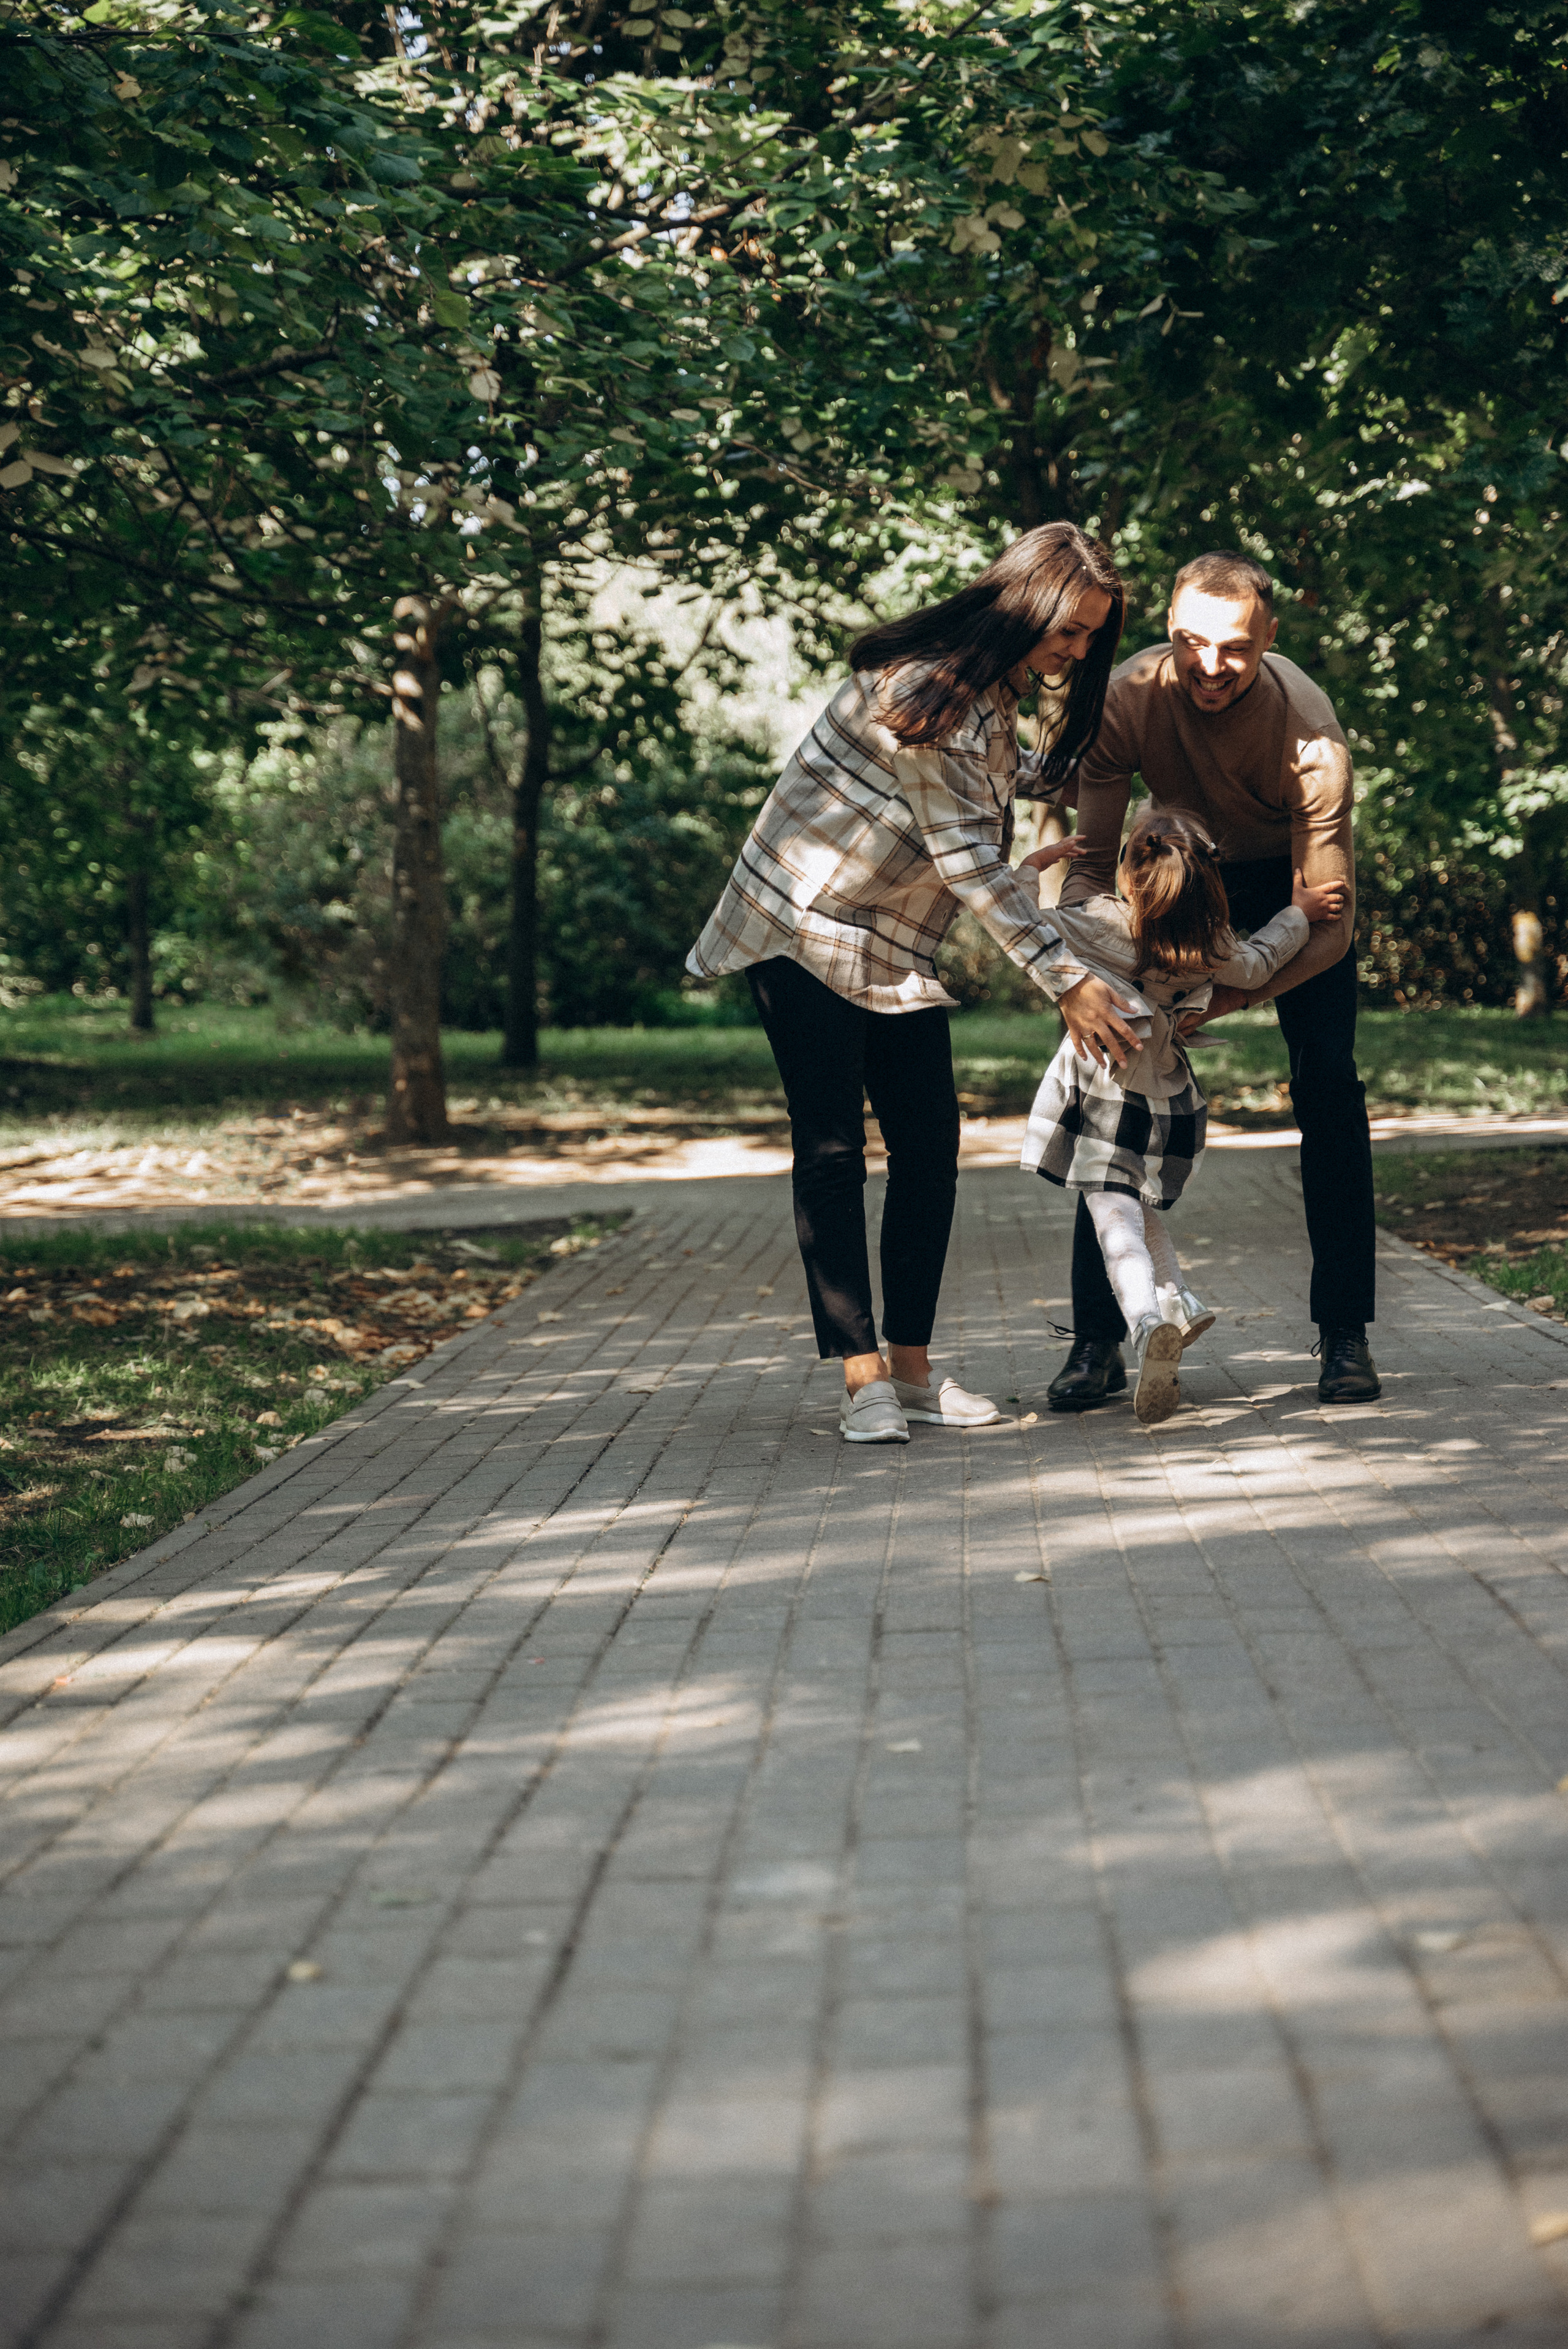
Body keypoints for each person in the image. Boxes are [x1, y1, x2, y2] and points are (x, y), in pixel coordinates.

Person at [687, 520, 1141, 1445]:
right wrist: (1064, 980)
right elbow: (966, 857)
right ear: (1024, 606)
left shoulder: (996, 696)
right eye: (1070, 630)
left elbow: (971, 834)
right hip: (798, 924)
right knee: (831, 1149)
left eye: (1093, 635)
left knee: (931, 1144)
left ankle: (914, 1368)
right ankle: (863, 1382)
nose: (1078, 650)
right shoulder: (924, 690)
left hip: (891, 942)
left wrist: (1028, 860)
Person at [1045, 549, 1380, 1412]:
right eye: (1190, 641)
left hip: (1287, 888)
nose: (1209, 665)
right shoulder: (1125, 697)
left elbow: (1330, 917)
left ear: (1270, 635)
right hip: (1170, 881)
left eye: (1234, 646)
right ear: (1168, 631)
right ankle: (1098, 1340)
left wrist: (1220, 997)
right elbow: (1086, 872)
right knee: (1106, 1085)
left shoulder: (1311, 736)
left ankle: (1345, 1332)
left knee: (1329, 1088)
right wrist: (1106, 974)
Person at [1019, 808, 1347, 1423]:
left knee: (1111, 1214)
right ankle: (1177, 1301)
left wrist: (1030, 869)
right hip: (1165, 1099)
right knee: (1136, 1206)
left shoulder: (1099, 925)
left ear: (1127, 874)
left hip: (1103, 1088)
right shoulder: (1210, 943)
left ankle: (1142, 1322)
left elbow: (1026, 928)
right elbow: (1257, 963)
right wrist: (1299, 914)